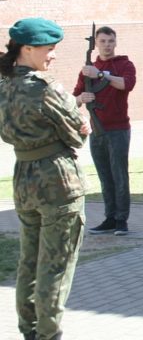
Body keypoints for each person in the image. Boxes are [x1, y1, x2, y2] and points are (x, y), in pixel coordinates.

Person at [0, 18, 91, 340]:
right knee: (55, 268)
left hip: (24, 180)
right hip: (58, 183)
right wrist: (84, 117)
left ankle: (30, 331)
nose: (52, 56)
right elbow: (77, 135)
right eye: (48, 50)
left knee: (29, 264)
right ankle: (48, 335)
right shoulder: (44, 89)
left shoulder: (3, 84)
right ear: (27, 49)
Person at [73, 26, 136, 236]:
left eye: (110, 41)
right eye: (102, 41)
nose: (107, 45)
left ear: (115, 42)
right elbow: (73, 99)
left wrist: (101, 74)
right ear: (96, 44)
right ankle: (109, 218)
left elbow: (126, 84)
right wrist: (82, 98)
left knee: (119, 175)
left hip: (118, 130)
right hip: (97, 130)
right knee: (105, 176)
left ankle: (121, 220)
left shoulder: (124, 64)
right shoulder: (86, 70)